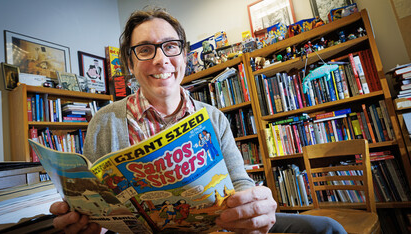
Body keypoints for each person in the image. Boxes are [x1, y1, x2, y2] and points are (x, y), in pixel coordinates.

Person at [50, 7, 347, 234]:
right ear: (129, 62)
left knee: (327, 229)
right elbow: (94, 201)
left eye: (170, 46)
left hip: (217, 229)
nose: (160, 59)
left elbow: (239, 181)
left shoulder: (213, 117)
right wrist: (86, 223)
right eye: (144, 49)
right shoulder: (104, 122)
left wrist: (254, 206)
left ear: (185, 55)